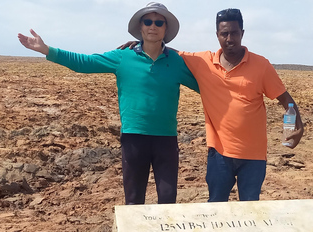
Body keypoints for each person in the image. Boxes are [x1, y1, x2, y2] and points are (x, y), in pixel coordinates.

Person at [18, 2, 199, 205]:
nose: (153, 26)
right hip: (134, 138)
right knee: (133, 201)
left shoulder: (176, 61)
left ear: (166, 29)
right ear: (140, 27)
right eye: (148, 21)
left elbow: (207, 86)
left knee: (167, 201)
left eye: (159, 22)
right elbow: (84, 62)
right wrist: (46, 50)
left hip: (166, 139)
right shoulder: (123, 57)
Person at [120, 8, 304, 202]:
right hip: (219, 155)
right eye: (224, 34)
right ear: (217, 35)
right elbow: (171, 53)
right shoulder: (203, 62)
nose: (229, 38)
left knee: (250, 209)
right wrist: (143, 44)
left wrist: (298, 124)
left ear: (242, 33)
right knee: (216, 207)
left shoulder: (261, 65)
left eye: (234, 33)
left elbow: (285, 99)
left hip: (254, 156)